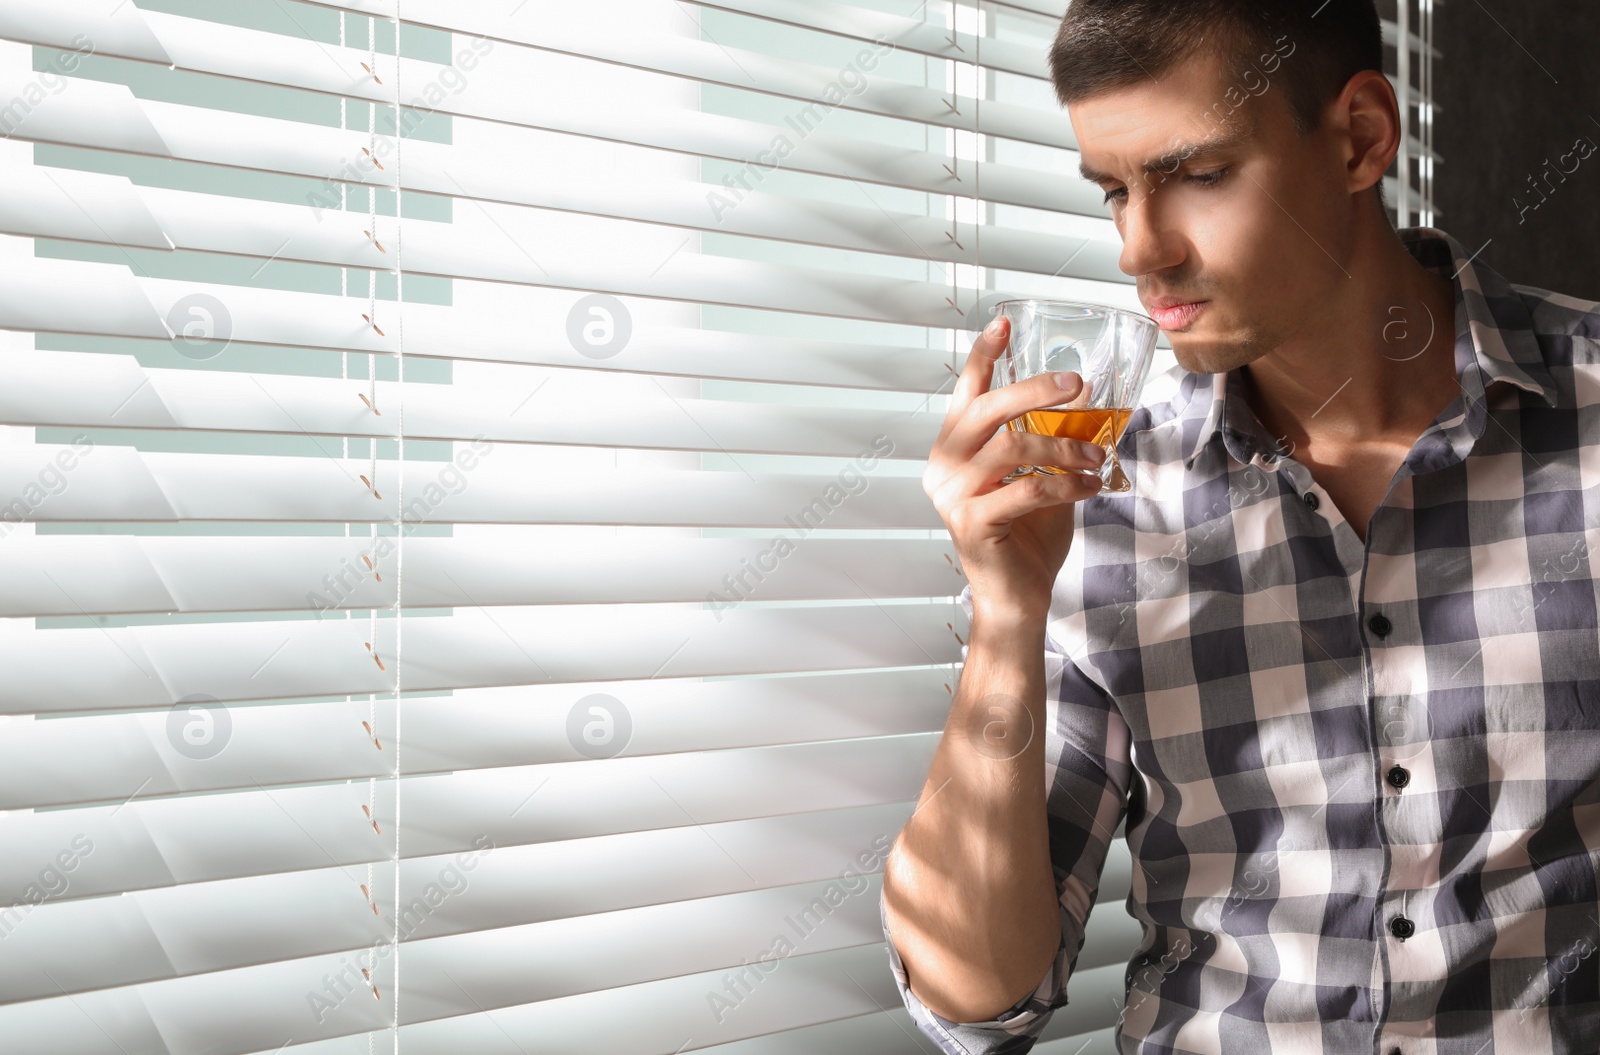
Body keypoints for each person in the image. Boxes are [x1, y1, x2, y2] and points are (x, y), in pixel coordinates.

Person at [879, 1, 1600, 1052]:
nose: (1140, 247)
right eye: (1115, 190)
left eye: (1197, 174)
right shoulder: (1100, 487)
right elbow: (978, 998)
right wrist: (1004, 613)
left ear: (1359, 138)